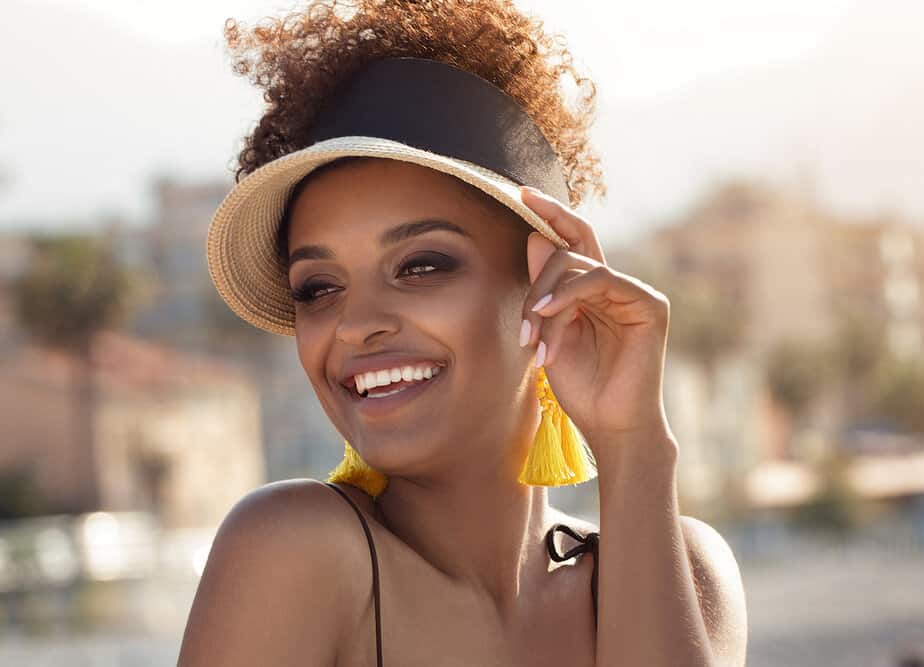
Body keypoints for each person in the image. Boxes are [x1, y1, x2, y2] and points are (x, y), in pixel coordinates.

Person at [178, 1, 748, 665]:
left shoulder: (686, 572)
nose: (357, 324)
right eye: (319, 288)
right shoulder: (291, 550)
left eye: (421, 265)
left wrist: (635, 443)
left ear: (547, 285)